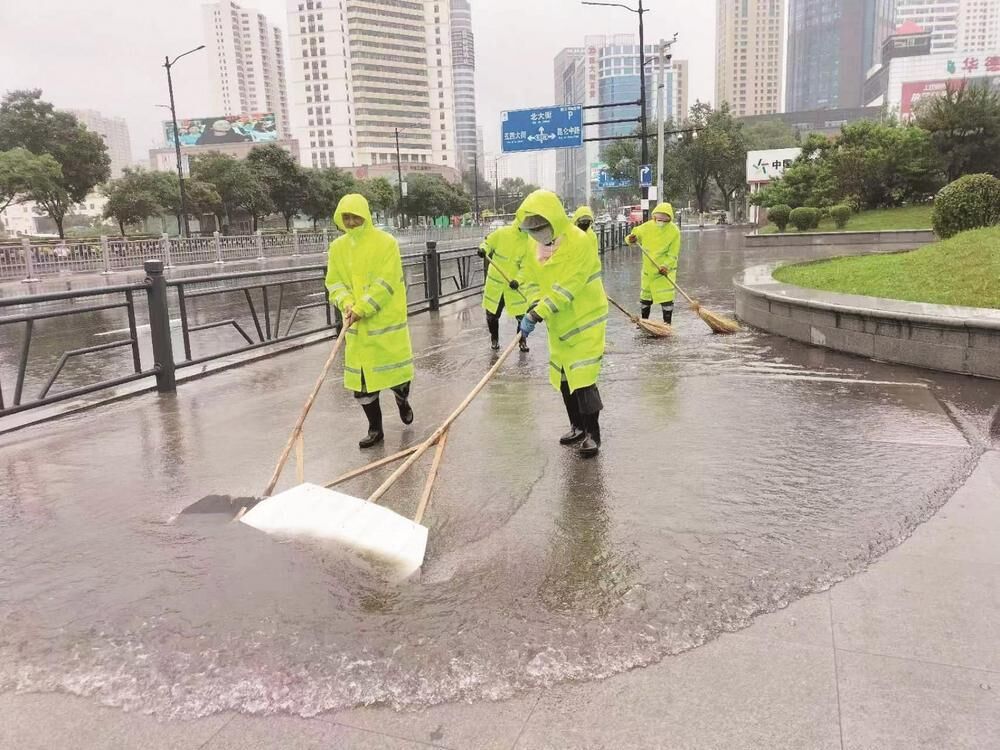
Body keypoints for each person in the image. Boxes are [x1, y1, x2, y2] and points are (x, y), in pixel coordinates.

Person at [516, 190, 608, 458]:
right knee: (565, 377)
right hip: (558, 322)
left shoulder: (579, 243)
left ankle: (593, 434)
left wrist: (537, 314)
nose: (537, 234)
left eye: (541, 227)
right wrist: (534, 302)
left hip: (585, 320)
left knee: (583, 377)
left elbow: (569, 286)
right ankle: (577, 426)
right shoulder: (533, 246)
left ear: (554, 219)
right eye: (532, 229)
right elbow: (528, 278)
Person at [325, 193, 415, 449]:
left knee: (397, 376)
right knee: (362, 384)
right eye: (346, 217)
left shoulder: (386, 243)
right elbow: (333, 282)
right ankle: (375, 428)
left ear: (365, 216)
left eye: (356, 217)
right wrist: (346, 303)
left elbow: (386, 282)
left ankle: (402, 399)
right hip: (357, 327)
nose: (351, 222)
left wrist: (363, 307)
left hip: (385, 323)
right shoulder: (337, 248)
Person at [477, 219, 534, 352]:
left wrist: (518, 280)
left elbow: (526, 267)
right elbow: (488, 242)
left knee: (522, 317)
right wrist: (483, 249)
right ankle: (494, 339)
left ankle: (522, 341)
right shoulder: (502, 233)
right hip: (495, 284)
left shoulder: (529, 243)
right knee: (492, 315)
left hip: (513, 286)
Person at [626, 202, 681, 323]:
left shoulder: (674, 231)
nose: (660, 221)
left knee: (666, 299)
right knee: (645, 299)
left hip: (664, 272)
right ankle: (644, 322)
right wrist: (631, 238)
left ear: (669, 218)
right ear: (654, 216)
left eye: (664, 219)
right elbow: (633, 236)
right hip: (648, 271)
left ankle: (667, 324)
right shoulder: (646, 227)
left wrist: (665, 266)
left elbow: (673, 254)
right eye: (658, 218)